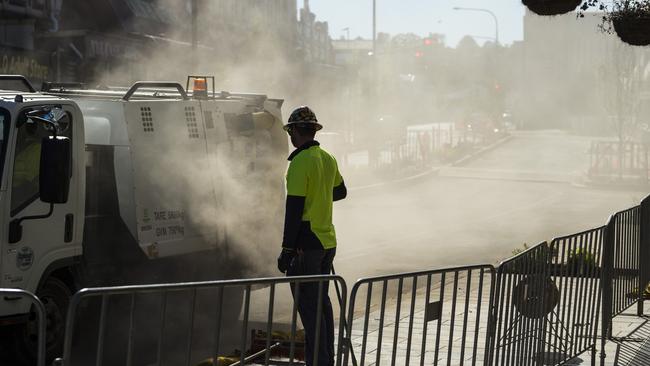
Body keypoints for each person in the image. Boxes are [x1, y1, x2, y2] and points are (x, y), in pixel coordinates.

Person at [277, 106, 347, 366]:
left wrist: (286, 251)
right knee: (323, 306)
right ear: (314, 130)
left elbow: (293, 210)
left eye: (291, 131)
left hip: (306, 246)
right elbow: (341, 192)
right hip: (327, 242)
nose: (291, 137)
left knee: (310, 311)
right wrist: (319, 195)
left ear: (296, 130)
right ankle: (327, 359)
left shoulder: (298, 162)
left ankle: (318, 363)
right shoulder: (327, 158)